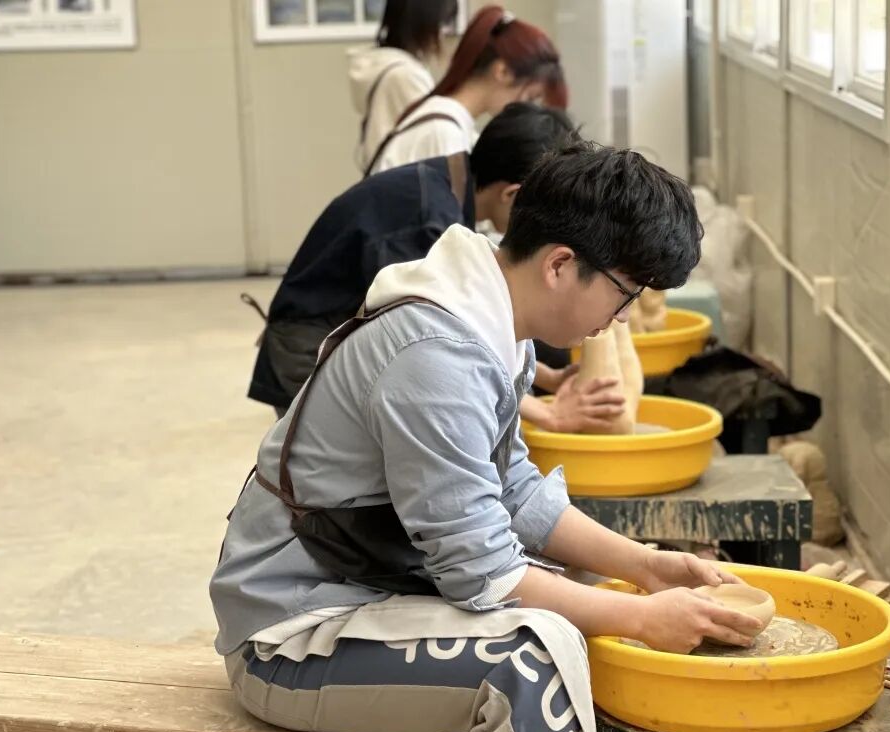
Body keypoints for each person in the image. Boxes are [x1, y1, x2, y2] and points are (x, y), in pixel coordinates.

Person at [212, 142, 760, 732]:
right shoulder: (437, 355)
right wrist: (643, 617)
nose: (621, 319)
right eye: (625, 295)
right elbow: (483, 574)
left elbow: (513, 492)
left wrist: (645, 566)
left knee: (589, 593)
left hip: (371, 590)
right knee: (531, 661)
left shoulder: (491, 318)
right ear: (560, 265)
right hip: (293, 638)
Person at [246, 102, 623, 433]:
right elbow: (432, 346)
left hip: (338, 335)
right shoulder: (430, 220)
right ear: (513, 195)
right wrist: (547, 413)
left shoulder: (446, 182)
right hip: (308, 347)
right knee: (335, 475)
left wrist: (548, 377)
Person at [364, 4, 566, 177]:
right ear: (502, 71)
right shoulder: (444, 132)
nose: (525, 108)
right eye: (530, 96)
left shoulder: (450, 123)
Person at [348, 0, 459, 172]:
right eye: (443, 24)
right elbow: (439, 136)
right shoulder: (405, 76)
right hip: (404, 182)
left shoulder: (385, 66)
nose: (444, 35)